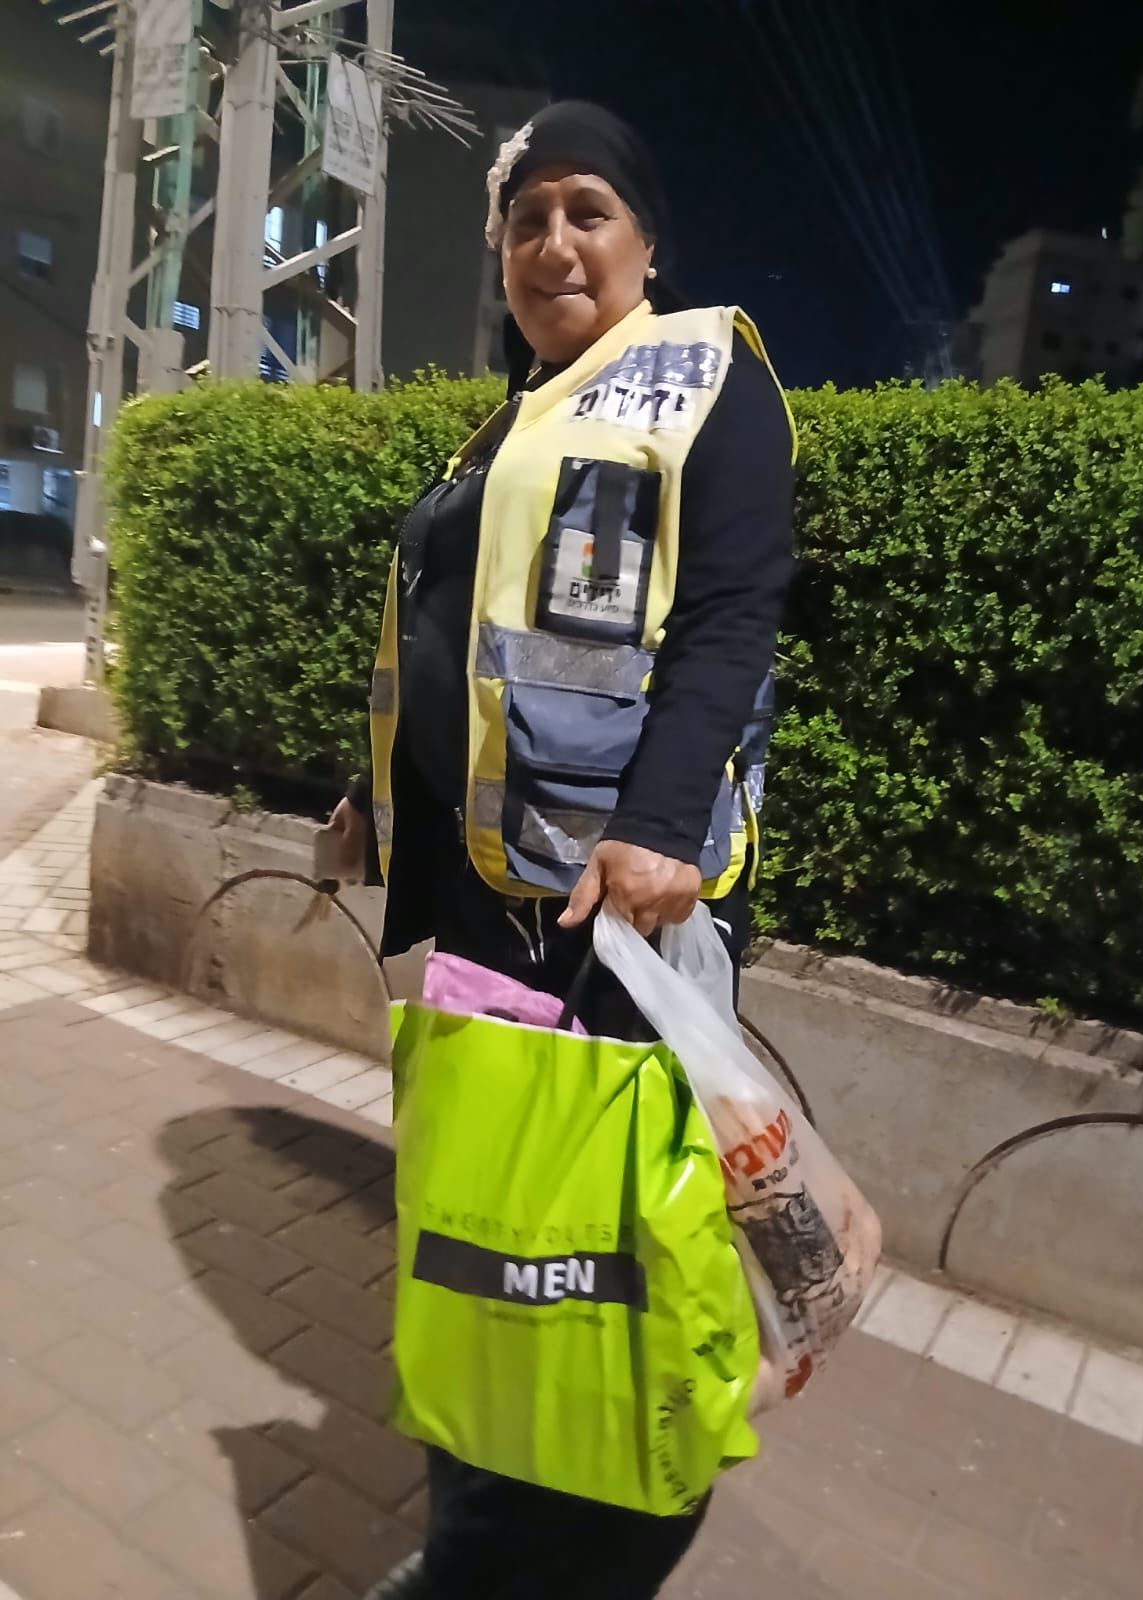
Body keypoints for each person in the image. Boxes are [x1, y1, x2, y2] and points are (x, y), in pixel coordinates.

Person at [329, 100, 796, 1600]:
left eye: (587, 211)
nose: (554, 244)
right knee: (491, 1222)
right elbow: (466, 650)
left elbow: (731, 619)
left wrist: (657, 830)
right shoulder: (517, 418)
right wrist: (376, 796)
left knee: (605, 1240)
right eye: (526, 219)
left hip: (611, 914)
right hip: (488, 904)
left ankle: (601, 1535)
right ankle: (486, 1532)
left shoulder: (707, 376)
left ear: (647, 239)